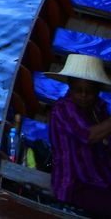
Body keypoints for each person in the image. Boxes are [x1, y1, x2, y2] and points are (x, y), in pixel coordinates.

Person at [46, 53, 111, 213]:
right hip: (74, 184)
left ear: (98, 91)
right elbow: (88, 135)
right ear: (70, 87)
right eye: (78, 90)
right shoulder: (62, 109)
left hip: (100, 176)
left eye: (89, 91)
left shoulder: (99, 107)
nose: (83, 96)